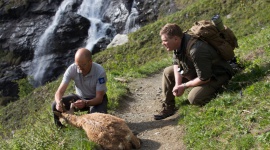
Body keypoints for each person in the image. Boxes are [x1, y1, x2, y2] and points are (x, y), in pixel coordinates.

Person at [154, 23, 234, 120]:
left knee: (194, 98)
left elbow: (204, 78)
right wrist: (177, 84)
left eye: (165, 40)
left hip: (216, 74)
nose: (163, 43)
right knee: (168, 72)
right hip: (198, 71)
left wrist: (184, 86)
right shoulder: (178, 44)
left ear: (175, 38)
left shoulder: (196, 50)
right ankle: (169, 107)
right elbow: (176, 64)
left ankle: (221, 88)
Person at [52, 48, 108, 127]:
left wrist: (85, 103)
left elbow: (99, 98)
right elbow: (59, 92)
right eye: (78, 65)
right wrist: (58, 103)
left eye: (83, 65)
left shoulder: (100, 72)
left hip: (96, 100)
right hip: (79, 98)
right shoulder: (72, 69)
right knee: (54, 105)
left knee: (97, 121)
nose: (80, 68)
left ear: (90, 62)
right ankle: (61, 128)